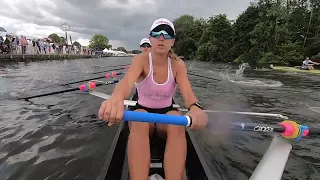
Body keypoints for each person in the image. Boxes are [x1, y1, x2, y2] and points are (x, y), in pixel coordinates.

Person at [98, 18, 208, 180]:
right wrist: (116, 98)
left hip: (166, 114)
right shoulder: (141, 60)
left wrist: (196, 107)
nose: (162, 37)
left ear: (173, 41)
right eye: (157, 33)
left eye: (167, 34)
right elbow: (127, 83)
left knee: (177, 122)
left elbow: (188, 93)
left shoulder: (178, 65)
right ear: (150, 39)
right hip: (142, 112)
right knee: (140, 124)